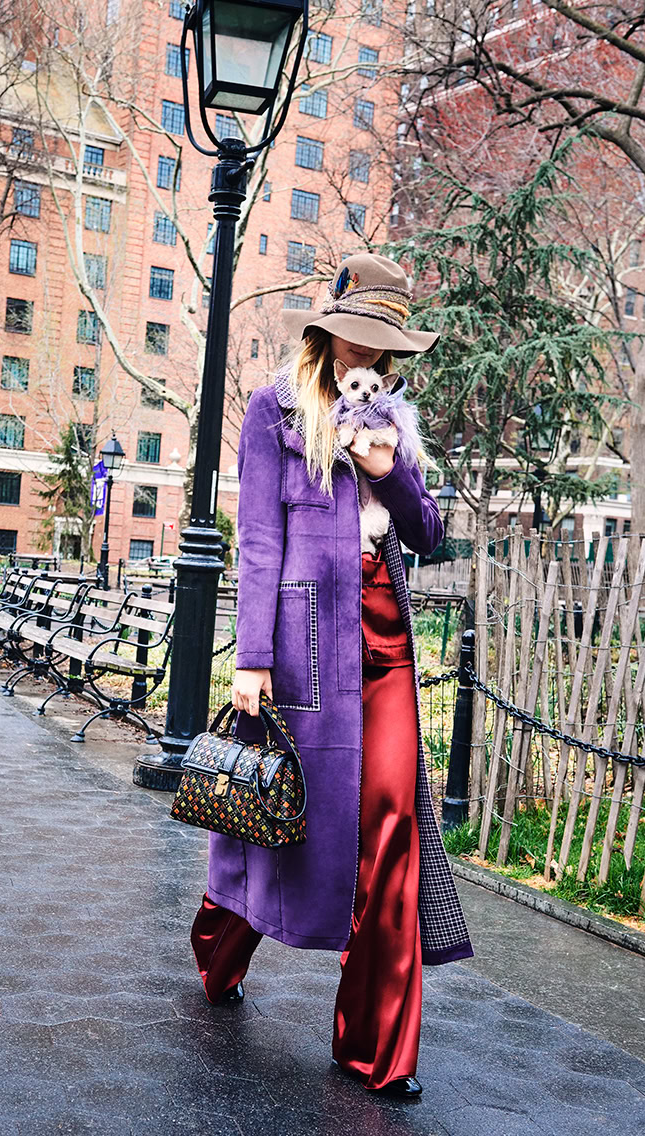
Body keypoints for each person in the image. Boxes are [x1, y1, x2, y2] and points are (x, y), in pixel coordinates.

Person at [189, 251, 474, 1100]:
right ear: (328, 331)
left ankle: (376, 1048)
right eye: (358, 338)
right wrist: (250, 657)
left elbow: (428, 534)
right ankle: (221, 943)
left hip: (385, 648)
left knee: (390, 840)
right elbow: (260, 540)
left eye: (383, 346)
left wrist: (391, 468)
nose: (368, 359)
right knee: (281, 822)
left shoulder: (392, 420)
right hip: (306, 647)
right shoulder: (276, 411)